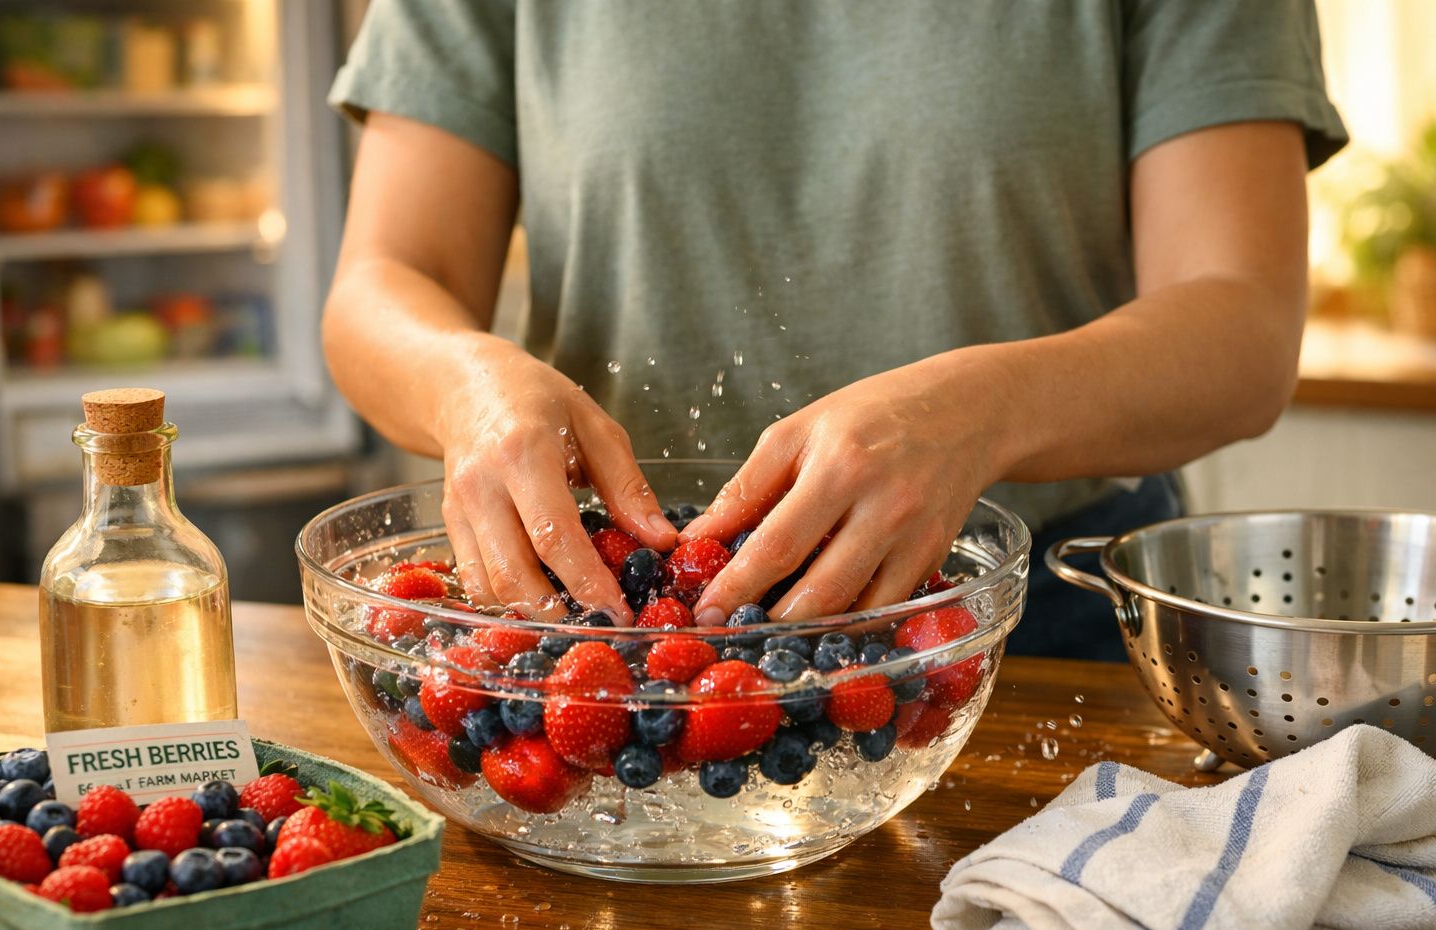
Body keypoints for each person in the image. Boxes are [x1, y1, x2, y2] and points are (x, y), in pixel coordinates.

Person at [323, 1, 1346, 660]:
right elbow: (382, 285)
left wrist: (982, 412)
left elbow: (1242, 326)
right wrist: (471, 387)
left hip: (1029, 629)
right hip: (617, 642)